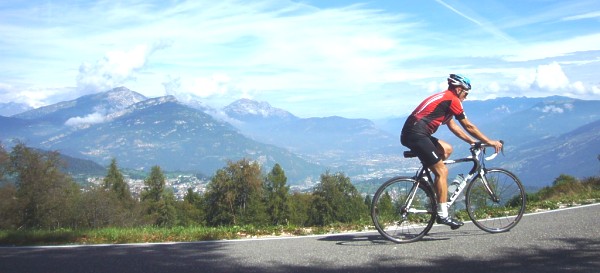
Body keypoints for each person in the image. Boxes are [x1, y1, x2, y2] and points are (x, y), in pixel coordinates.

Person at [400, 74, 502, 229]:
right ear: (459, 89)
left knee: (447, 149)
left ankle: (430, 184)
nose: (466, 98)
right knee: (442, 172)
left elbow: (453, 127)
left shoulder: (445, 100)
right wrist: (489, 142)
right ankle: (443, 215)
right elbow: (468, 126)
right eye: (466, 94)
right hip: (416, 135)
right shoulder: (452, 99)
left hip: (414, 133)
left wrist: (473, 142)